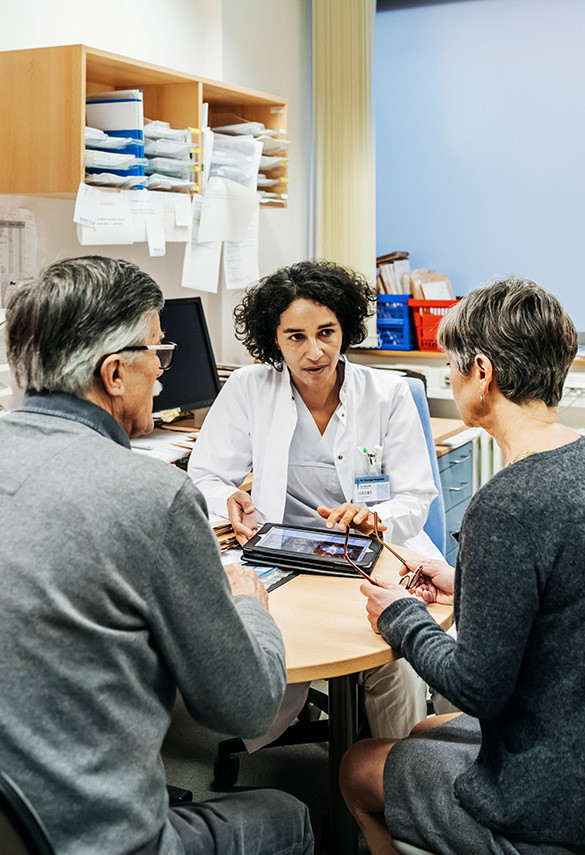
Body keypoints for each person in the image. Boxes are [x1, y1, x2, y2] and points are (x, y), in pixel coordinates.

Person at [0, 256, 314, 855]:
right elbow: (244, 708)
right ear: (115, 373)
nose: (164, 375)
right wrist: (251, 607)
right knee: (291, 813)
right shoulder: (153, 496)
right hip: (100, 839)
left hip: (14, 818)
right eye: (157, 353)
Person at [340, 277, 585, 855]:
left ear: (481, 372)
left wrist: (401, 615)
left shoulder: (506, 505)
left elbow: (477, 689)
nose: (449, 378)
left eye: (452, 366)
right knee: (424, 730)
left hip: (550, 805)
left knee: (356, 765)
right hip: (568, 727)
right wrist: (466, 583)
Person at [188, 259, 440, 743]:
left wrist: (374, 516)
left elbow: (416, 497)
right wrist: (229, 500)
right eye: (295, 337)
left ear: (344, 327)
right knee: (270, 654)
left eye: (326, 331)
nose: (314, 351)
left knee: (396, 662)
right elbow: (204, 475)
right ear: (274, 339)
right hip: (281, 555)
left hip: (372, 553)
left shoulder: (386, 395)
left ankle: (400, 779)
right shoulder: (249, 389)